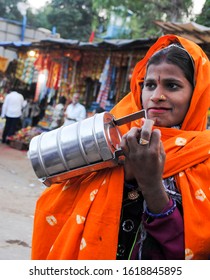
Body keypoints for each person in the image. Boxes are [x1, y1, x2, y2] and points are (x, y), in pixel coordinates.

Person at [31, 34, 210, 260]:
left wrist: (151, 184)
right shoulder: (111, 139)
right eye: (149, 85)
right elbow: (57, 204)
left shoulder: (203, 157)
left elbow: (197, 251)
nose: (156, 96)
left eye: (172, 86)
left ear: (197, 94)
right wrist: (124, 173)